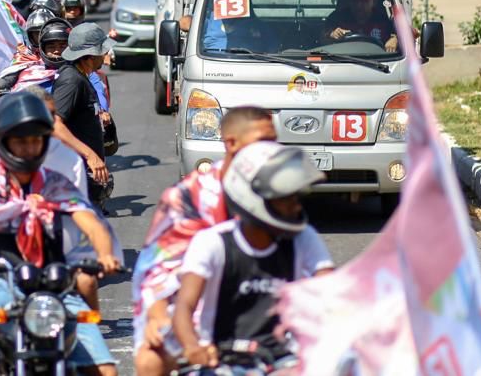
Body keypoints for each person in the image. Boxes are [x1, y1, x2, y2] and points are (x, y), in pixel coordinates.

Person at [0, 91, 121, 376]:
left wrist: (105, 253)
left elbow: (90, 221)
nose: (29, 148)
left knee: (107, 371)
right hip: (0, 279)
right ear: (3, 140)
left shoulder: (55, 182)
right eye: (21, 141)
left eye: (35, 141)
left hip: (54, 284)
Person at [132, 107, 276, 376]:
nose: (272, 150)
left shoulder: (281, 191)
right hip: (195, 307)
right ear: (232, 144)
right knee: (150, 360)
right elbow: (156, 269)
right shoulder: (189, 197)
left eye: (274, 141)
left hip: (265, 302)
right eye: (263, 142)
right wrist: (159, 313)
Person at [172, 142, 334, 369]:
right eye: (286, 198)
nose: (296, 207)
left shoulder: (302, 237)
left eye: (297, 198)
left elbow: (332, 289)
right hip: (221, 358)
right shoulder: (213, 243)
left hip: (286, 359)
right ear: (254, 195)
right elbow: (184, 306)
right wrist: (192, 346)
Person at [51, 23, 112, 191]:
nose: (105, 54)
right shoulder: (72, 81)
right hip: (73, 174)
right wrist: (90, 156)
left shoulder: (82, 77)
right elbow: (55, 125)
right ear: (90, 56)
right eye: (102, 51)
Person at [322, 0, 399, 52]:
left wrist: (395, 40)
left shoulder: (383, 21)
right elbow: (320, 41)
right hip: (340, 61)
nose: (359, 5)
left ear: (374, 2)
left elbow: (403, 39)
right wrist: (332, 35)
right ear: (350, 1)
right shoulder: (336, 18)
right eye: (355, 0)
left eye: (364, 1)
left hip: (378, 63)